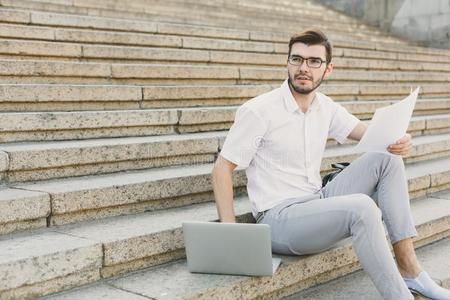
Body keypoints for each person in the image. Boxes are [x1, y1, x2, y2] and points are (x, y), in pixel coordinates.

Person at [212, 29, 450, 300]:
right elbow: (222, 168)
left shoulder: (325, 106)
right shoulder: (259, 110)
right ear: (287, 63)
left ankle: (410, 271)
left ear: (328, 69)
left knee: (387, 159)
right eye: (297, 59)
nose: (304, 68)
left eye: (314, 61)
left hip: (317, 200)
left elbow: (371, 134)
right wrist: (231, 236)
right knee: (362, 207)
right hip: (278, 219)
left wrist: (399, 139)